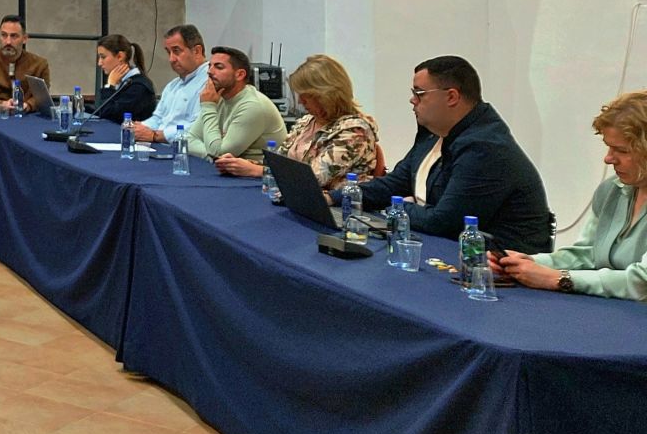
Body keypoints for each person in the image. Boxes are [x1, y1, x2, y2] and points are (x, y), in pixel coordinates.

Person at [357, 55, 551, 251]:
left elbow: (444, 222)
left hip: (497, 263)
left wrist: (397, 208)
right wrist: (344, 196)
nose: (412, 100)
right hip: (443, 247)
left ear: (451, 97)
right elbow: (395, 184)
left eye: (419, 93)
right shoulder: (433, 135)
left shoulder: (485, 147)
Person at [494, 90, 647, 299]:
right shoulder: (612, 190)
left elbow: (641, 282)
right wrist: (527, 263)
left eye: (621, 151)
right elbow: (589, 253)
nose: (608, 158)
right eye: (609, 148)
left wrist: (559, 278)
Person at [217, 53, 379, 184]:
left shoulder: (355, 131)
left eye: (306, 96)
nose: (300, 102)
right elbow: (281, 162)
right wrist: (240, 165)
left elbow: (316, 177)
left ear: (325, 95)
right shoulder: (307, 121)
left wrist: (257, 171)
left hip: (334, 207)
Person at [185, 47, 284, 163]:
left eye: (218, 67)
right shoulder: (218, 97)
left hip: (256, 171)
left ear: (240, 75)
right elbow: (189, 140)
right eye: (210, 66)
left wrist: (208, 106)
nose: (210, 72)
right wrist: (211, 154)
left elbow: (219, 154)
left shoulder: (252, 105)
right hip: (227, 168)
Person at [133, 24, 208, 143]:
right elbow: (158, 119)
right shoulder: (172, 86)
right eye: (169, 52)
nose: (171, 59)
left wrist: (156, 135)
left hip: (186, 149)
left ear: (197, 51)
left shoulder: (210, 83)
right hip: (162, 143)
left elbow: (199, 128)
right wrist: (139, 128)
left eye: (176, 51)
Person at [0, 15, 52, 112]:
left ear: (25, 39)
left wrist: (27, 105)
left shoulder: (39, 65)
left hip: (27, 116)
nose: (8, 42)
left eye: (14, 36)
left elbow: (42, 98)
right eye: (4, 35)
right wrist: (1, 105)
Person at [90, 34, 155, 123]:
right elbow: (101, 111)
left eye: (103, 57)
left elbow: (109, 115)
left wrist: (110, 86)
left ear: (120, 56)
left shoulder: (139, 87)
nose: (99, 63)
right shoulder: (122, 82)